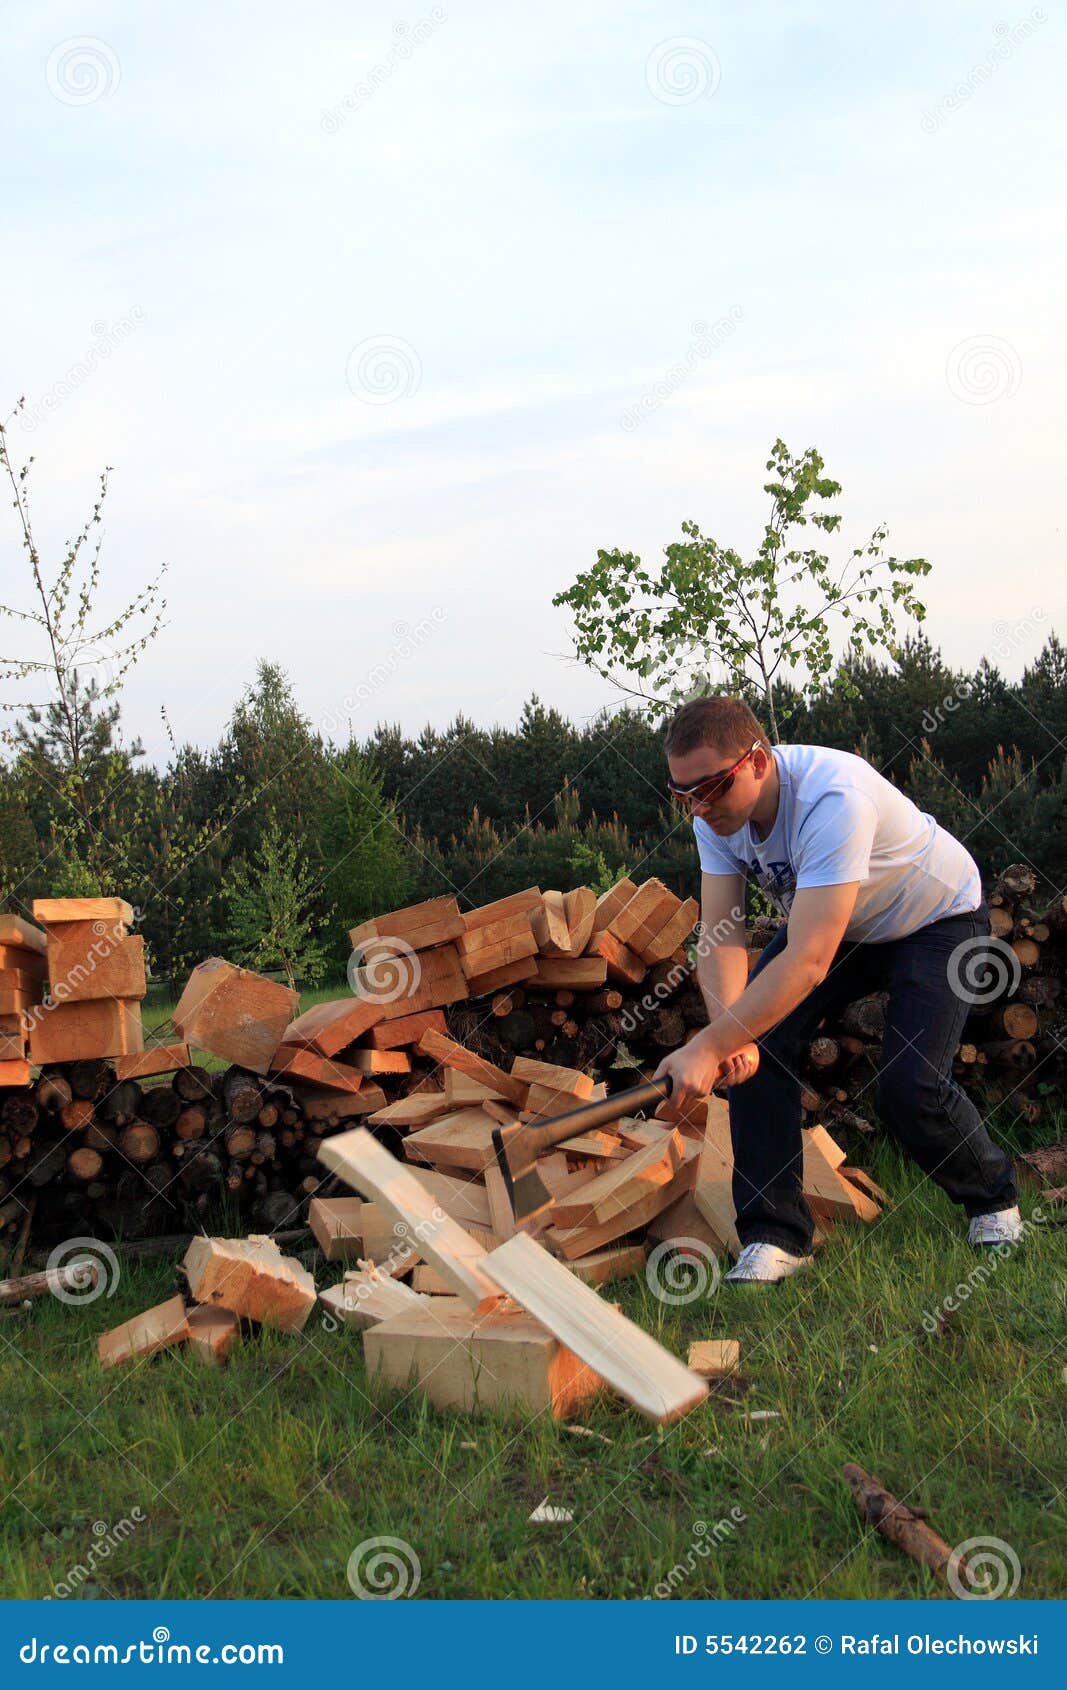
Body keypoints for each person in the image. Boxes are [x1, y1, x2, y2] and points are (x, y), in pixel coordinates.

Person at [652, 696, 1021, 1285]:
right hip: (845, 924)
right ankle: (775, 1237)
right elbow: (722, 935)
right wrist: (728, 1037)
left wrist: (707, 1046)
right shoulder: (716, 819)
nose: (697, 808)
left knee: (910, 1084)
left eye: (712, 788)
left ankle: (993, 1200)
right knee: (757, 1053)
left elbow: (809, 959)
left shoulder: (832, 795)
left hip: (935, 919)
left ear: (756, 760)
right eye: (682, 796)